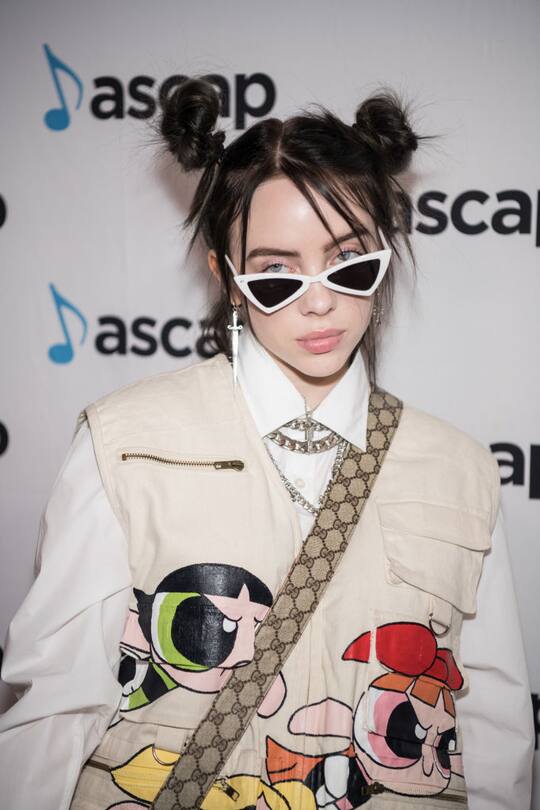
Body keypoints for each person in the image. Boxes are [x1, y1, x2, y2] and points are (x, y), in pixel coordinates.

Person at [0, 78, 534, 810]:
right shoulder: (124, 443)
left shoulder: (461, 471)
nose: (319, 300)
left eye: (349, 262)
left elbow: (495, 735)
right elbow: (53, 714)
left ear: (386, 254)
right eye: (277, 274)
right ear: (226, 275)